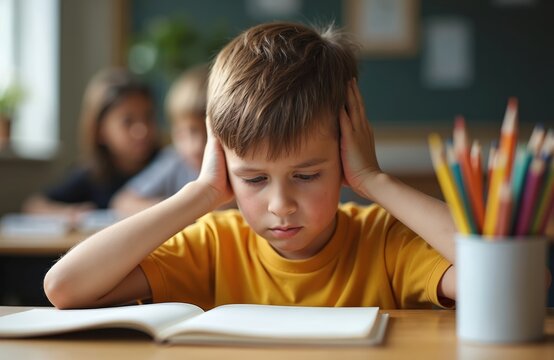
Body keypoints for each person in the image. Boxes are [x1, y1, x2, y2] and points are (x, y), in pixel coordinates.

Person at [44, 22, 456, 310]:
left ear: (348, 154)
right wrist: (201, 193)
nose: (281, 205)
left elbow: (510, 284)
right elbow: (65, 287)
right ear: (223, 160)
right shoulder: (214, 246)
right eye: (254, 178)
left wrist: (375, 180)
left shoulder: (386, 245)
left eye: (307, 175)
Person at [23, 68, 160, 224]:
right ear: (100, 131)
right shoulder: (91, 174)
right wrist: (69, 214)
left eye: (148, 117)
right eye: (127, 121)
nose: (142, 130)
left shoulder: (168, 164)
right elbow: (34, 206)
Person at [111, 65, 208, 216]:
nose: (197, 146)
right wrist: (177, 208)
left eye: (209, 134)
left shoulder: (239, 166)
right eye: (187, 132)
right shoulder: (173, 161)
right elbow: (123, 202)